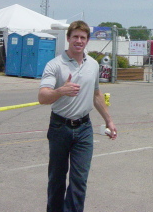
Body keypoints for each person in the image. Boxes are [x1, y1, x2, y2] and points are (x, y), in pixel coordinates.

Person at [38, 20, 117, 212]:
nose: (79, 41)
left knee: (79, 181)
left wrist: (109, 120)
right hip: (59, 127)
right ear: (68, 39)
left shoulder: (93, 65)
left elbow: (96, 93)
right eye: (75, 37)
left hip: (84, 129)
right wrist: (61, 91)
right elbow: (42, 97)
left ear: (87, 40)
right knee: (56, 179)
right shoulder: (55, 65)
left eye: (83, 37)